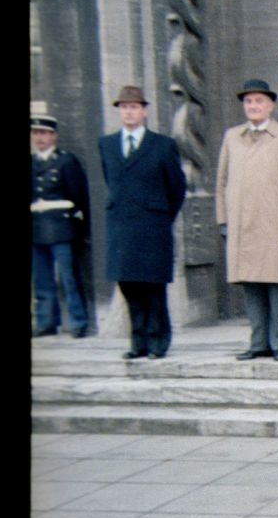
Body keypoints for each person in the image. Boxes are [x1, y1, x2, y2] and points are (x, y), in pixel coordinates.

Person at [214, 79, 278, 362]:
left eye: (259, 101)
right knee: (251, 285)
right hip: (242, 224)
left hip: (273, 224)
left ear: (271, 105)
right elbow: (222, 182)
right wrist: (223, 219)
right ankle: (258, 343)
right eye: (249, 102)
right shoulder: (233, 137)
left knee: (275, 285)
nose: (253, 106)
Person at [100, 85, 187, 360]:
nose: (129, 112)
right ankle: (137, 342)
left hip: (152, 228)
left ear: (144, 111)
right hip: (122, 228)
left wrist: (159, 217)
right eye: (124, 107)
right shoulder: (107, 145)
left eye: (134, 107)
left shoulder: (162, 145)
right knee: (129, 287)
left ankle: (158, 340)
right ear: (119, 111)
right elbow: (111, 182)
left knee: (152, 287)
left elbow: (177, 188)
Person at [31, 112, 92, 339]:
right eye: (36, 133)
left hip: (61, 227)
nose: (40, 138)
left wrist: (80, 228)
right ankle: (46, 322)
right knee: (42, 279)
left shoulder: (66, 161)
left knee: (68, 277)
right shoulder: (32, 162)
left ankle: (78, 322)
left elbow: (79, 196)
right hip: (36, 228)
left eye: (45, 133)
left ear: (54, 136)